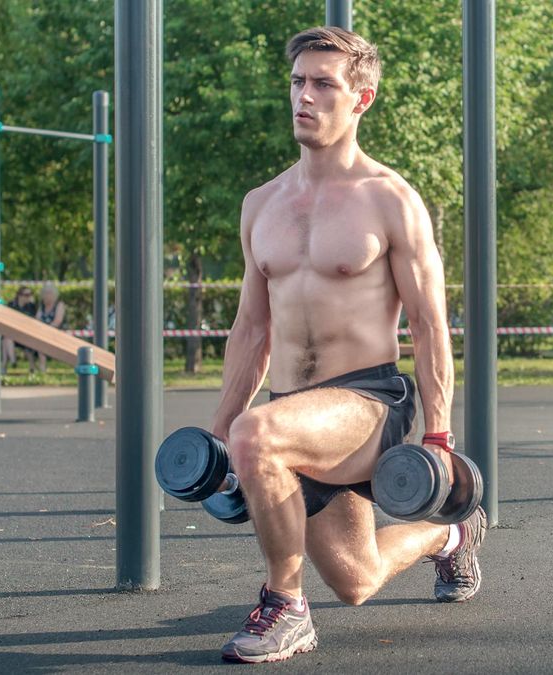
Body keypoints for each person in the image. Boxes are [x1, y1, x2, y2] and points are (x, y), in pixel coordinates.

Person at [207, 27, 485, 664]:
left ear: (362, 98)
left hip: (366, 401)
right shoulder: (261, 204)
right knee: (357, 581)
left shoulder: (391, 200)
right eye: (298, 82)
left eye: (323, 84)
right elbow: (252, 329)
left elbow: (429, 324)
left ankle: (286, 607)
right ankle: (449, 539)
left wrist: (438, 437)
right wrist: (221, 429)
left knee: (258, 433)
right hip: (290, 411)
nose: (304, 97)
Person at [35, 282, 66, 373]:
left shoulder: (59, 305)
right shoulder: (42, 306)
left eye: (49, 293)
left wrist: (46, 329)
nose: (47, 296)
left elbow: (57, 321)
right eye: (45, 293)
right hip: (42, 333)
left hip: (56, 332)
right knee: (39, 339)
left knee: (42, 339)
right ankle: (40, 367)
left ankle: (42, 366)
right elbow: (37, 320)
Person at [4, 286, 37, 371]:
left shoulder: (32, 307)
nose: (29, 297)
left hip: (27, 334)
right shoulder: (11, 305)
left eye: (30, 294)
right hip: (13, 334)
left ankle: (31, 368)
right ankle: (12, 361)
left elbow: (34, 322)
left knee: (7, 340)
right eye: (26, 295)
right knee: (6, 339)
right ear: (20, 295)